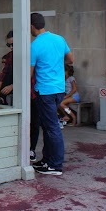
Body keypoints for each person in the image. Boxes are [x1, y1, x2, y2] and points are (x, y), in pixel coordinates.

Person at [30, 12, 73, 176]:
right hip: (59, 90)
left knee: (52, 127)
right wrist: (57, 62)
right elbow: (71, 59)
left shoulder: (35, 45)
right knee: (48, 126)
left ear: (32, 26)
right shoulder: (59, 39)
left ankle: (55, 165)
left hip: (45, 91)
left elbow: (30, 72)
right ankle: (46, 160)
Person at [0, 30, 14, 105]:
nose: (11, 47)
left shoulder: (29, 54)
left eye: (13, 44)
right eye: (9, 45)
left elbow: (29, 75)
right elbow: (4, 72)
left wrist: (12, 86)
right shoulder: (10, 55)